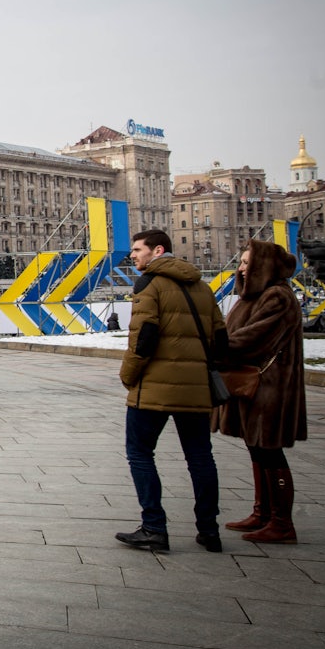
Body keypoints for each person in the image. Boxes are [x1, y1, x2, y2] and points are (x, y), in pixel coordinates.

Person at [116, 229, 226, 553]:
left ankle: (153, 528)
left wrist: (128, 376)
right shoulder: (203, 287)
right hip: (196, 389)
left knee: (139, 453)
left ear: (158, 250)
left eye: (138, 250)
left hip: (154, 389)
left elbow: (143, 338)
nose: (132, 255)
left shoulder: (149, 284)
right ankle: (209, 530)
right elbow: (221, 340)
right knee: (200, 457)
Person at [212, 240, 306, 543]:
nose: (241, 268)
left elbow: (252, 339)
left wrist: (214, 348)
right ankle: (262, 512)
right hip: (252, 385)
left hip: (271, 387)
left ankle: (282, 523)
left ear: (263, 265)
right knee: (257, 447)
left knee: (269, 450)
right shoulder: (255, 295)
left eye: (247, 263)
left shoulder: (277, 296)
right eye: (241, 262)